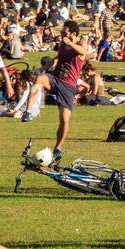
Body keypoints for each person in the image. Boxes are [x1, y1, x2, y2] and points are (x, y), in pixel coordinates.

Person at [49, 20, 88, 163]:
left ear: (73, 33)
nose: (62, 34)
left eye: (65, 32)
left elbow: (84, 52)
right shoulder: (62, 44)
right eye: (62, 32)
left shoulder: (81, 42)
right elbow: (60, 57)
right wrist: (51, 62)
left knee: (64, 119)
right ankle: (30, 110)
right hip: (56, 79)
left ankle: (58, 147)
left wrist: (70, 43)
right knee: (39, 81)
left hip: (69, 85)